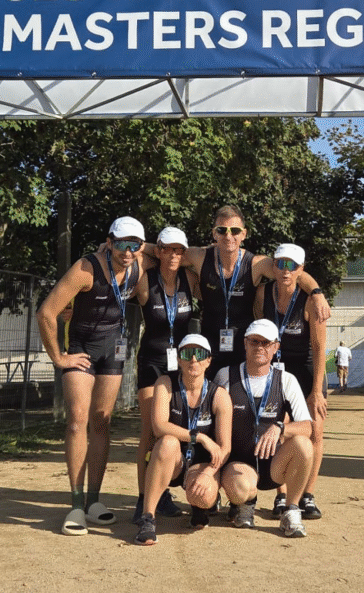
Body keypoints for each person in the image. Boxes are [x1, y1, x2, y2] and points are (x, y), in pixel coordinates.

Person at [37, 216, 145, 536]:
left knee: (101, 419)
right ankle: (75, 503)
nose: (128, 251)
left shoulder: (138, 266)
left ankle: (95, 501)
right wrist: (59, 357)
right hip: (81, 350)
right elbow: (46, 312)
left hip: (113, 353)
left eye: (134, 245)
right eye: (121, 244)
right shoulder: (86, 268)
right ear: (109, 242)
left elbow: (167, 251)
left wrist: (142, 248)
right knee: (77, 420)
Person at [148, 205, 330, 379]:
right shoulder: (200, 257)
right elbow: (164, 253)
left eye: (234, 231)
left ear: (244, 234)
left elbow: (293, 272)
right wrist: (136, 247)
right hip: (210, 344)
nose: (228, 236)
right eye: (222, 230)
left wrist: (316, 292)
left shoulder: (256, 264)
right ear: (214, 233)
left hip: (244, 347)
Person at [214, 319, 314, 538]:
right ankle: (245, 504)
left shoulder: (286, 380)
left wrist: (280, 428)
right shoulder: (225, 376)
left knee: (304, 445)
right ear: (245, 344)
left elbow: (307, 427)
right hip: (239, 463)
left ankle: (291, 510)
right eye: (254, 341)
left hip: (273, 466)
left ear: (276, 347)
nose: (260, 347)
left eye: (266, 343)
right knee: (240, 488)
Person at [135, 334, 233, 546]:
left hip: (200, 463)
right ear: (179, 359)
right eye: (188, 354)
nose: (194, 360)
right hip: (173, 461)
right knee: (167, 441)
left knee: (205, 495)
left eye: (200, 354)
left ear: (208, 361)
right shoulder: (165, 384)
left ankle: (200, 507)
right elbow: (159, 426)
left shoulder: (219, 395)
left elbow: (225, 448)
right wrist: (200, 437)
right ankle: (148, 518)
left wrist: (208, 474)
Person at [131, 226, 200, 523]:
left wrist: (182, 260)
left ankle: (162, 493)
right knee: (150, 432)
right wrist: (152, 253)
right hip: (153, 362)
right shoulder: (146, 280)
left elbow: (203, 260)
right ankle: (143, 499)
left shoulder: (190, 279)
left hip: (181, 365)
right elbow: (135, 257)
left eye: (178, 250)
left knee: (173, 429)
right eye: (167, 248)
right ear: (158, 249)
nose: (173, 254)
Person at [254, 243, 327, 520]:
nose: (285, 271)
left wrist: (317, 391)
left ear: (301, 270)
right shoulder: (263, 294)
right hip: (277, 372)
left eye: (292, 265)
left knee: (315, 432)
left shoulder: (309, 300)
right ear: (273, 267)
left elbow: (320, 349)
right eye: (281, 264)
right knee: (281, 429)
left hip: (306, 371)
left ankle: (307, 495)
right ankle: (281, 495)